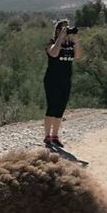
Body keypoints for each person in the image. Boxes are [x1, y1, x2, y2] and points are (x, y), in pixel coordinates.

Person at [43, 20, 81, 149]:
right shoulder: (51, 43)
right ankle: (47, 136)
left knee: (60, 109)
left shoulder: (70, 44)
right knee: (52, 107)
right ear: (57, 30)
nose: (65, 30)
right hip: (52, 80)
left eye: (67, 28)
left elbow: (78, 56)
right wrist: (59, 39)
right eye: (62, 28)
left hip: (66, 79)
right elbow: (53, 53)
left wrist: (75, 39)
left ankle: (55, 136)